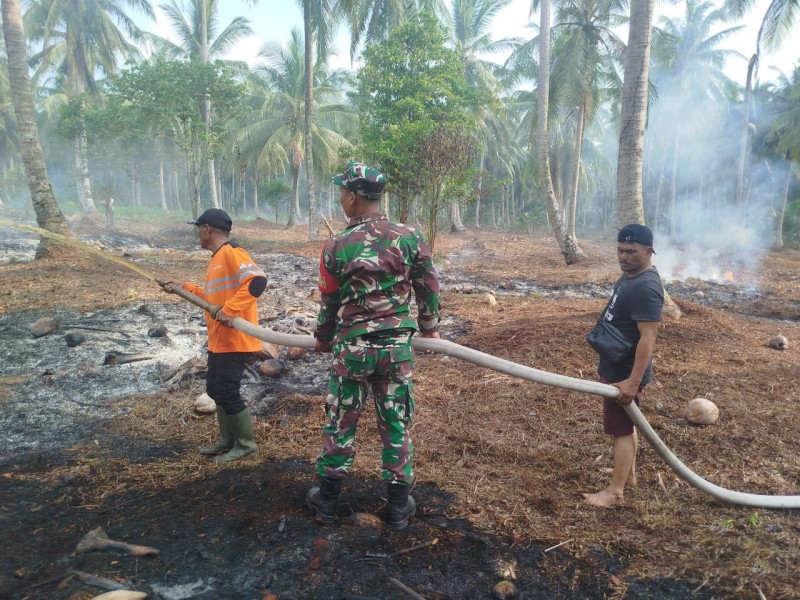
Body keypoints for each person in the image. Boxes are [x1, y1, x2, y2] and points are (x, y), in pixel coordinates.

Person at [306, 161, 441, 530]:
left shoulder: (336, 246)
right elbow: (428, 286)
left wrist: (322, 338)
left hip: (352, 350)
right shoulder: (410, 236)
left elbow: (328, 301)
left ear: (351, 197)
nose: (340, 200)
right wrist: (429, 328)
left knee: (340, 421)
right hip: (396, 350)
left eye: (341, 194)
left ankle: (327, 504)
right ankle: (399, 509)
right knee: (396, 423)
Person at [158, 208, 267, 463]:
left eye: (198, 228)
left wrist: (230, 310)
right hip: (219, 341)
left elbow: (257, 281)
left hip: (235, 340)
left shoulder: (232, 252)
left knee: (228, 391)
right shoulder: (217, 258)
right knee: (216, 390)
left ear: (207, 229)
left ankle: (246, 444)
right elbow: (212, 298)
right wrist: (181, 288)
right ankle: (227, 440)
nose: (197, 233)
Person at [583, 223, 664, 507]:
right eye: (620, 250)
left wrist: (631, 381)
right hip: (616, 364)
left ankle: (615, 492)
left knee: (620, 430)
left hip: (625, 372)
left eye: (631, 251)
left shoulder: (646, 287)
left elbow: (648, 338)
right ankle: (627, 474)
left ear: (649, 251)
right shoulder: (632, 275)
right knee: (627, 425)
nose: (623, 256)